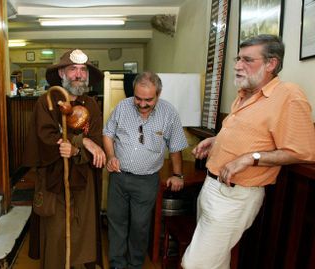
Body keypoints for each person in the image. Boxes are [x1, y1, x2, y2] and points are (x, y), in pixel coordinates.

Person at [181, 35, 315, 269]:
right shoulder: (245, 93)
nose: (237, 65)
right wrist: (215, 140)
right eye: (238, 58)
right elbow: (250, 134)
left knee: (195, 264)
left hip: (236, 196)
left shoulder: (289, 96)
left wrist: (250, 158)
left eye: (247, 60)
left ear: (271, 64)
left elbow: (304, 152)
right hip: (212, 186)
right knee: (216, 260)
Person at [23, 49, 106, 269]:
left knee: (82, 231)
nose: (79, 75)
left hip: (83, 180)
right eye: (73, 69)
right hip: (55, 181)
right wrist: (81, 142)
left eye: (83, 70)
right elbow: (46, 137)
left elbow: (95, 138)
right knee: (57, 232)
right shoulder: (47, 102)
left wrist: (79, 148)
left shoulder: (92, 105)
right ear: (62, 73)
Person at [103, 71, 188, 269]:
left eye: (148, 100)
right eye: (138, 98)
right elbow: (108, 134)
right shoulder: (123, 107)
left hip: (147, 181)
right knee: (116, 223)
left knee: (140, 226)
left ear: (158, 94)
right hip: (118, 177)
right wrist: (110, 156)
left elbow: (175, 147)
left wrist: (177, 175)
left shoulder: (169, 113)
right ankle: (117, 264)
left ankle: (134, 265)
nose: (142, 104)